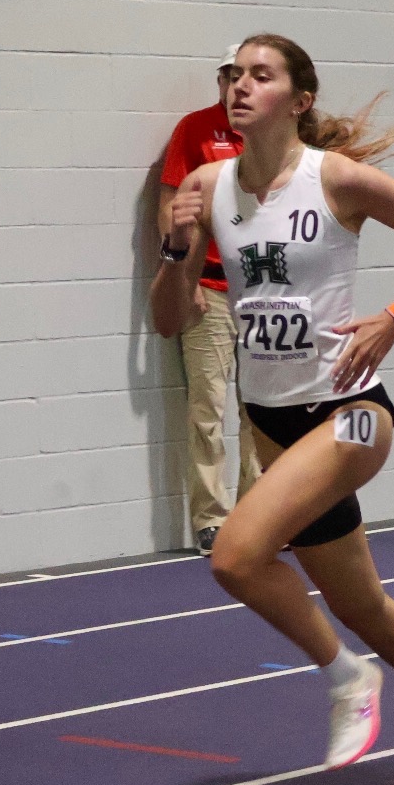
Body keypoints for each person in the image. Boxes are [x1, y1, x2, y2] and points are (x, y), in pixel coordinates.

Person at [150, 33, 394, 785]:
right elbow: (170, 321)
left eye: (260, 75)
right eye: (231, 74)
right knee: (361, 603)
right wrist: (178, 249)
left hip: (351, 412)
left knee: (236, 556)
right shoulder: (209, 186)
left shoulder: (336, 178)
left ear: (299, 99)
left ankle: (347, 678)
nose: (240, 86)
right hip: (271, 418)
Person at [156, 44, 261, 555]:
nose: (238, 86)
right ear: (220, 80)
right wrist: (184, 278)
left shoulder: (273, 136)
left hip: (263, 287)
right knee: (208, 407)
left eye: (249, 76)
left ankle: (259, 516)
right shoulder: (195, 130)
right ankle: (211, 520)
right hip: (211, 287)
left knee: (260, 410)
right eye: (230, 75)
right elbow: (170, 203)